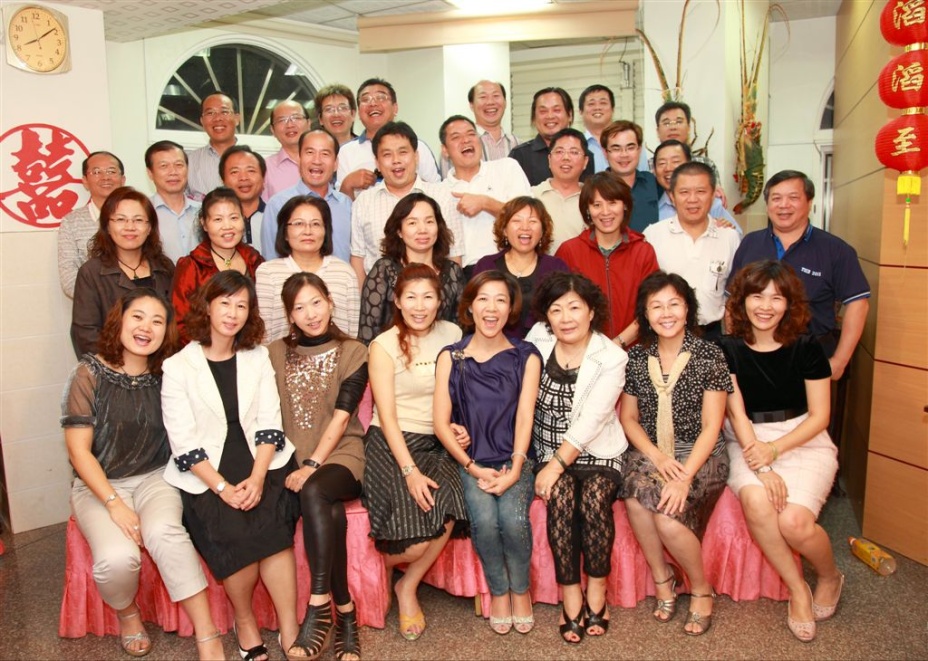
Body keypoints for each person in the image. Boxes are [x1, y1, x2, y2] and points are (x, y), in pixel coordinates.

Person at [62, 289, 224, 660]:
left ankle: (207, 633)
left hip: (156, 477)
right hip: (99, 485)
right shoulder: (88, 373)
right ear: (119, 320)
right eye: (137, 317)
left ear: (167, 331)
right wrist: (114, 503)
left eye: (157, 321)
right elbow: (78, 451)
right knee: (117, 558)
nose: (146, 327)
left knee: (165, 533)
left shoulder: (168, 373)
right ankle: (127, 613)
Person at [162, 271, 300, 661]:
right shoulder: (178, 366)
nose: (232, 313)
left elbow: (271, 421)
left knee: (273, 530)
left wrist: (257, 477)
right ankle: (245, 621)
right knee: (233, 532)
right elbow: (184, 443)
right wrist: (223, 488)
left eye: (241, 305)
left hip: (262, 458)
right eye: (225, 303)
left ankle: (290, 626)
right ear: (207, 306)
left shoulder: (257, 357)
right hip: (206, 471)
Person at [721, 260, 843, 643]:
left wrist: (775, 451)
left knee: (794, 523)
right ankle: (797, 589)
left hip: (802, 437)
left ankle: (829, 577)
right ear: (742, 301)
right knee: (757, 501)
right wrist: (761, 463)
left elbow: (820, 416)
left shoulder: (807, 347)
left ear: (790, 304)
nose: (765, 306)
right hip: (747, 437)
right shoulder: (726, 348)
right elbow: (736, 414)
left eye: (776, 298)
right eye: (757, 296)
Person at [619, 271, 732, 637]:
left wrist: (684, 477)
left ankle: (700, 589)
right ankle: (662, 578)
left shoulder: (709, 354)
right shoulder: (638, 358)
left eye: (674, 304)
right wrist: (657, 457)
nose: (666, 313)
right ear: (645, 315)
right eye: (656, 306)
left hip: (701, 451)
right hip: (653, 449)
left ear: (687, 309)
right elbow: (629, 418)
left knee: (668, 517)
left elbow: (712, 425)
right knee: (635, 498)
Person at [362, 263, 467, 641]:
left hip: (437, 439)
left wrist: (459, 424)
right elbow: (387, 416)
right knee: (415, 541)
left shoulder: (453, 334)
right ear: (397, 301)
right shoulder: (383, 346)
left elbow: (459, 391)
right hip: (391, 443)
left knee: (453, 500)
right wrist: (409, 471)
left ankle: (407, 586)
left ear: (440, 301)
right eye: (411, 297)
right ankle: (379, 566)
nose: (419, 306)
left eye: (428, 297)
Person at [433, 272, 542, 635]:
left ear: (511, 309)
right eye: (483, 299)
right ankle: (499, 592)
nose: (491, 308)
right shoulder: (451, 357)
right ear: (470, 307)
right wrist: (471, 466)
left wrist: (517, 466)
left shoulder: (526, 356)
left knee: (512, 520)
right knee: (483, 519)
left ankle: (521, 591)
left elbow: (525, 415)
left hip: (515, 457)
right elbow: (440, 422)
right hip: (471, 459)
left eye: (500, 300)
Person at [269, 272, 367, 661]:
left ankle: (318, 604)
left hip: (342, 455)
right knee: (329, 510)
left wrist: (311, 464)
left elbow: (343, 416)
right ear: (289, 315)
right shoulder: (275, 352)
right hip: (291, 458)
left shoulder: (353, 350)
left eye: (316, 302)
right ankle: (346, 614)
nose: (311, 314)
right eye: (300, 307)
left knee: (315, 488)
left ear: (330, 302)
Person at [525, 271, 628, 644]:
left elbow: (593, 420)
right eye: (556, 309)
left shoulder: (611, 356)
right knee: (563, 499)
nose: (565, 318)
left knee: (596, 499)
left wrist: (556, 466)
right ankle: (570, 592)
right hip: (547, 447)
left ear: (591, 312)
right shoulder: (537, 339)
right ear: (546, 315)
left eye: (574, 308)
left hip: (598, 448)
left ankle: (597, 589)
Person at [729, 170, 870, 382]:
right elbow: (732, 300)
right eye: (776, 198)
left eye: (793, 197)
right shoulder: (750, 243)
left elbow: (858, 304)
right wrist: (736, 349)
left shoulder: (836, 250)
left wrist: (839, 361)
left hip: (811, 355)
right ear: (767, 205)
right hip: (753, 355)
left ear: (809, 202)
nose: (783, 205)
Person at [555, 172, 659, 346]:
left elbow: (653, 306)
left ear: (625, 206)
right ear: (587, 210)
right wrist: (594, 348)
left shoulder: (643, 251)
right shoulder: (569, 251)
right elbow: (558, 307)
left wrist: (618, 343)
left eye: (612, 203)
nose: (605, 212)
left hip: (636, 350)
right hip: (583, 351)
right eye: (597, 205)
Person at [349, 122, 460, 284]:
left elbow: (454, 254)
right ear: (377, 162)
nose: (396, 160)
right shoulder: (363, 202)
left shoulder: (442, 196)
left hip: (435, 294)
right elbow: (358, 259)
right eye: (387, 154)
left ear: (416, 156)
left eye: (403, 152)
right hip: (380, 295)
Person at [71, 187, 174, 358]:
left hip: (161, 365)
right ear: (107, 226)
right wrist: (121, 367)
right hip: (112, 367)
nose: (130, 227)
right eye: (120, 219)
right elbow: (85, 334)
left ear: (150, 228)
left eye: (138, 220)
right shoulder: (91, 272)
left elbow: (174, 324)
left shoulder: (165, 267)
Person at [643, 162, 740, 342]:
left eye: (701, 191)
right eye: (684, 192)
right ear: (672, 196)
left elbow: (735, 292)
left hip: (712, 335)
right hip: (664, 334)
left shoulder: (729, 237)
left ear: (713, 195)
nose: (692, 199)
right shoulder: (652, 235)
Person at [358, 192, 463, 345]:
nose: (422, 229)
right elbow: (367, 333)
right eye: (412, 223)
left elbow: (461, 329)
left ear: (438, 227)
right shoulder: (384, 270)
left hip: (442, 356)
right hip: (390, 356)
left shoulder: (453, 272)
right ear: (399, 231)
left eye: (429, 221)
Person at [257, 195, 359, 342]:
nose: (308, 231)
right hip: (281, 355)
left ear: (326, 231)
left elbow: (352, 332)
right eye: (299, 224)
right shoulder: (268, 273)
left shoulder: (344, 272)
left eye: (316, 224)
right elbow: (263, 334)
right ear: (285, 232)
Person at [172, 187, 264, 344]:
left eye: (234, 218)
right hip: (204, 351)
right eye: (218, 219)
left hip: (250, 347)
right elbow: (180, 323)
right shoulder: (191, 266)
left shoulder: (254, 260)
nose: (227, 226)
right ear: (204, 224)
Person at [439, 114, 531, 272]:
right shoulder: (439, 191)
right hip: (463, 273)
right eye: (456, 137)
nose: (466, 140)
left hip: (509, 267)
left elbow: (529, 217)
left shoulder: (507, 168)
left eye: (471, 134)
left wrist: (485, 203)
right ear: (445, 150)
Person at [471, 196, 569, 339]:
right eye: (517, 221)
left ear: (543, 230)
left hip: (545, 346)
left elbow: (565, 313)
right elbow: (473, 313)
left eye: (532, 221)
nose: (525, 227)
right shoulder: (486, 265)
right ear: (504, 229)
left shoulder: (556, 267)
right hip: (495, 346)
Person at [336, 78, 440, 200]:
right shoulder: (346, 152)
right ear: (359, 113)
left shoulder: (418, 147)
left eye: (381, 97)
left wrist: (411, 180)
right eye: (365, 99)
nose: (373, 103)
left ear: (395, 108)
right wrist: (348, 184)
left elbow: (437, 192)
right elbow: (341, 205)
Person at [261, 128, 352, 262]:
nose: (317, 160)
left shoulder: (347, 205)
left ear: (335, 164)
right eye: (310, 152)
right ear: (299, 159)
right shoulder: (278, 204)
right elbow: (271, 258)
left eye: (325, 154)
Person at [58, 150, 126, 298]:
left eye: (111, 171)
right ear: (85, 181)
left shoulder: (139, 216)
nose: (105, 177)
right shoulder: (71, 222)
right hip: (93, 307)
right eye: (96, 172)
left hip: (138, 305)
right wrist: (101, 301)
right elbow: (69, 278)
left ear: (123, 179)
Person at [508, 87, 594, 186]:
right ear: (534, 118)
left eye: (556, 110)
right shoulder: (519, 155)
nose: (550, 116)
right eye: (543, 111)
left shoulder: (584, 155)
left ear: (570, 115)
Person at [653, 140, 739, 229]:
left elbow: (737, 234)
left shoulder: (711, 203)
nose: (668, 168)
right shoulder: (651, 208)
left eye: (675, 161)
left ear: (689, 164)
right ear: (654, 170)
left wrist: (728, 229)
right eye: (662, 163)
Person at [653, 101, 725, 205]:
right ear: (658, 131)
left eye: (679, 122)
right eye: (666, 123)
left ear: (688, 128)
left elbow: (716, 200)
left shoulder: (706, 165)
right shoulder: (646, 167)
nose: (673, 127)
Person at [531, 128, 590, 254]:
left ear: (585, 162)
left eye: (574, 152)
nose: (566, 157)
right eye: (559, 152)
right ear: (549, 159)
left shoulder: (593, 199)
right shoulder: (531, 196)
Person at [145, 140, 200, 262]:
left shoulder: (203, 211)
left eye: (179, 165)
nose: (173, 172)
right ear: (150, 173)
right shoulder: (143, 212)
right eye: (164, 166)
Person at [601, 120, 660, 232]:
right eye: (616, 149)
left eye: (630, 148)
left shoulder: (653, 182)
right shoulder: (595, 188)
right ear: (605, 153)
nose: (624, 154)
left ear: (639, 150)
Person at [187, 92, 239, 199]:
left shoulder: (253, 161)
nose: (217, 118)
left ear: (237, 119)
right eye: (210, 113)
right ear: (202, 121)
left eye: (224, 112)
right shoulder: (189, 162)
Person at [220, 145, 266, 254]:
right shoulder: (216, 221)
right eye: (234, 172)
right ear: (223, 180)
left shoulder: (275, 216)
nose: (243, 178)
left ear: (263, 177)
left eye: (251, 171)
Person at [263, 100, 309, 201]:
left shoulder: (324, 161)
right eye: (282, 120)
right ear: (272, 130)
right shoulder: (264, 168)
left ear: (308, 123)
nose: (290, 125)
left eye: (296, 118)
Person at [468, 80, 520, 161]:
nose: (490, 102)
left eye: (496, 96)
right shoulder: (463, 145)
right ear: (471, 105)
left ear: (505, 102)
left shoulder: (517, 144)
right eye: (483, 97)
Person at [579, 84, 615, 173]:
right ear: (581, 111)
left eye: (603, 103)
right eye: (591, 104)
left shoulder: (629, 145)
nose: (597, 108)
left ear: (613, 109)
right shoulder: (576, 146)